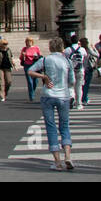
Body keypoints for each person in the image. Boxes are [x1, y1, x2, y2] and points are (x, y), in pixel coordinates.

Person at [27, 36, 77, 171]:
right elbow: (72, 81)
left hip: (48, 95)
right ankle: (67, 156)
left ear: (50, 47)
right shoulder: (67, 60)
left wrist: (43, 76)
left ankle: (57, 161)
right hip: (63, 96)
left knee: (51, 126)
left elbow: (30, 71)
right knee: (65, 125)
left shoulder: (46, 59)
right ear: (62, 47)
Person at [20, 37, 42, 102]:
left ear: (32, 42)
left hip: (34, 65)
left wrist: (35, 56)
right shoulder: (24, 49)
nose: (28, 43)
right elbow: (21, 58)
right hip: (27, 65)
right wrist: (23, 55)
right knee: (30, 81)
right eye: (27, 41)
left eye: (30, 41)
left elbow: (39, 56)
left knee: (35, 81)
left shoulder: (36, 48)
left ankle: (32, 91)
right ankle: (31, 96)